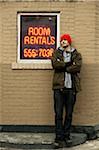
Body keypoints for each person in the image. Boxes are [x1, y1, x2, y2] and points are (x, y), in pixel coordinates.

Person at [51, 34, 82, 148]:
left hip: (71, 88)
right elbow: (55, 64)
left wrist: (63, 66)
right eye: (62, 40)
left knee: (68, 114)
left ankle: (66, 135)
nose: (63, 42)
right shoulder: (56, 53)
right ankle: (59, 137)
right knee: (58, 113)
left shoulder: (76, 54)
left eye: (65, 40)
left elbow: (77, 66)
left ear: (69, 41)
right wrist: (69, 64)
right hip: (59, 88)